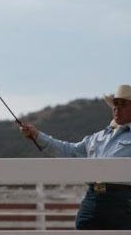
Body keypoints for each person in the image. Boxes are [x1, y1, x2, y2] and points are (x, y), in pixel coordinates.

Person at [20, 84, 131, 230]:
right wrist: (37, 136)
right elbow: (69, 151)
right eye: (115, 104)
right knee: (83, 226)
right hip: (93, 196)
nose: (117, 107)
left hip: (122, 199)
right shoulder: (96, 138)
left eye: (123, 104)